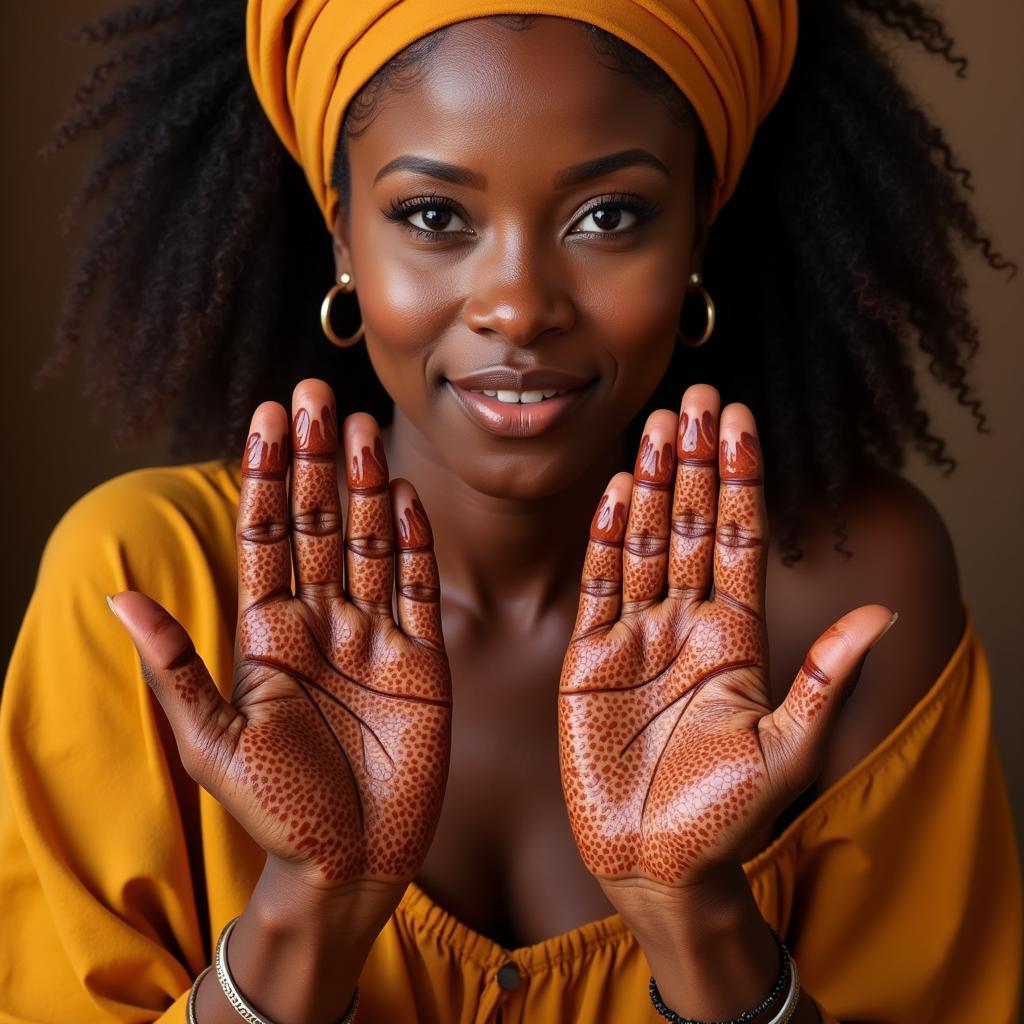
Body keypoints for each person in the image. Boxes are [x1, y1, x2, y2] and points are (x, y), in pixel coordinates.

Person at [1, 0, 1020, 1021]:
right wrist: (307, 911)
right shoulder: (144, 584)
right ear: (341, 232)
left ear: (699, 227)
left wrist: (697, 915)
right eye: (435, 215)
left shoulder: (851, 598)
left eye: (608, 213)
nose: (520, 304)